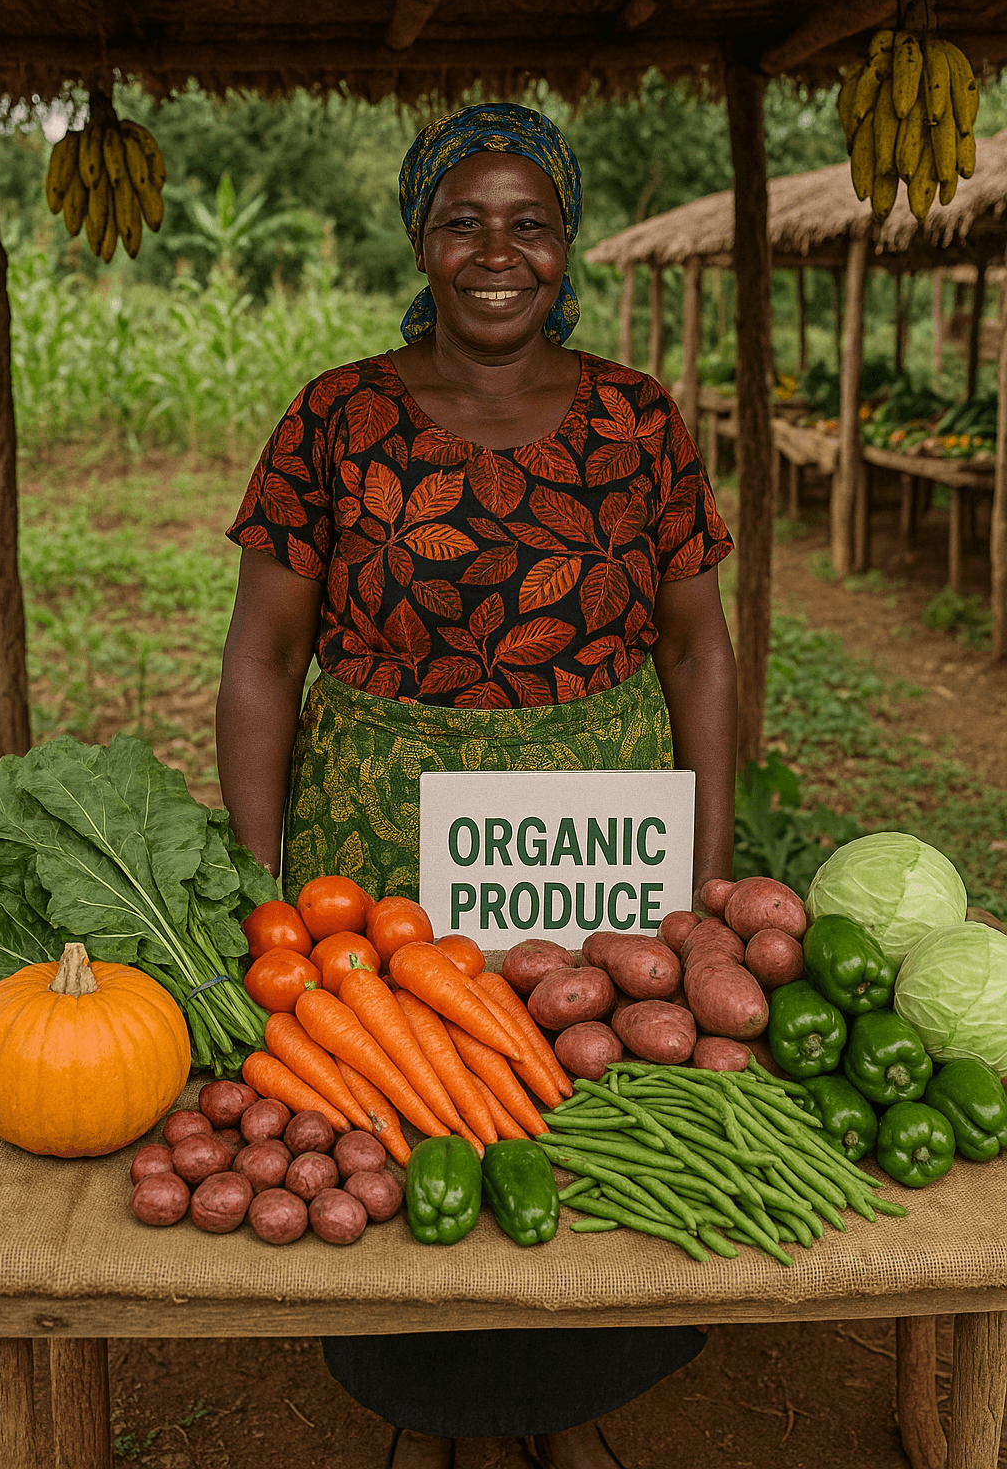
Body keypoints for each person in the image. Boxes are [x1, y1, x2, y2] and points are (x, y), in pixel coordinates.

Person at [217, 102, 737, 1469]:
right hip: (377, 841)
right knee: (403, 1110)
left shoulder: (637, 421)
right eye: (464, 220)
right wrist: (257, 875)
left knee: (576, 1099)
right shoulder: (338, 417)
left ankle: (565, 1409)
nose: (496, 251)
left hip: (597, 840)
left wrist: (704, 872)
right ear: (421, 240)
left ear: (568, 248)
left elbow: (699, 648)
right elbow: (265, 657)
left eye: (530, 223)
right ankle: (428, 1413)